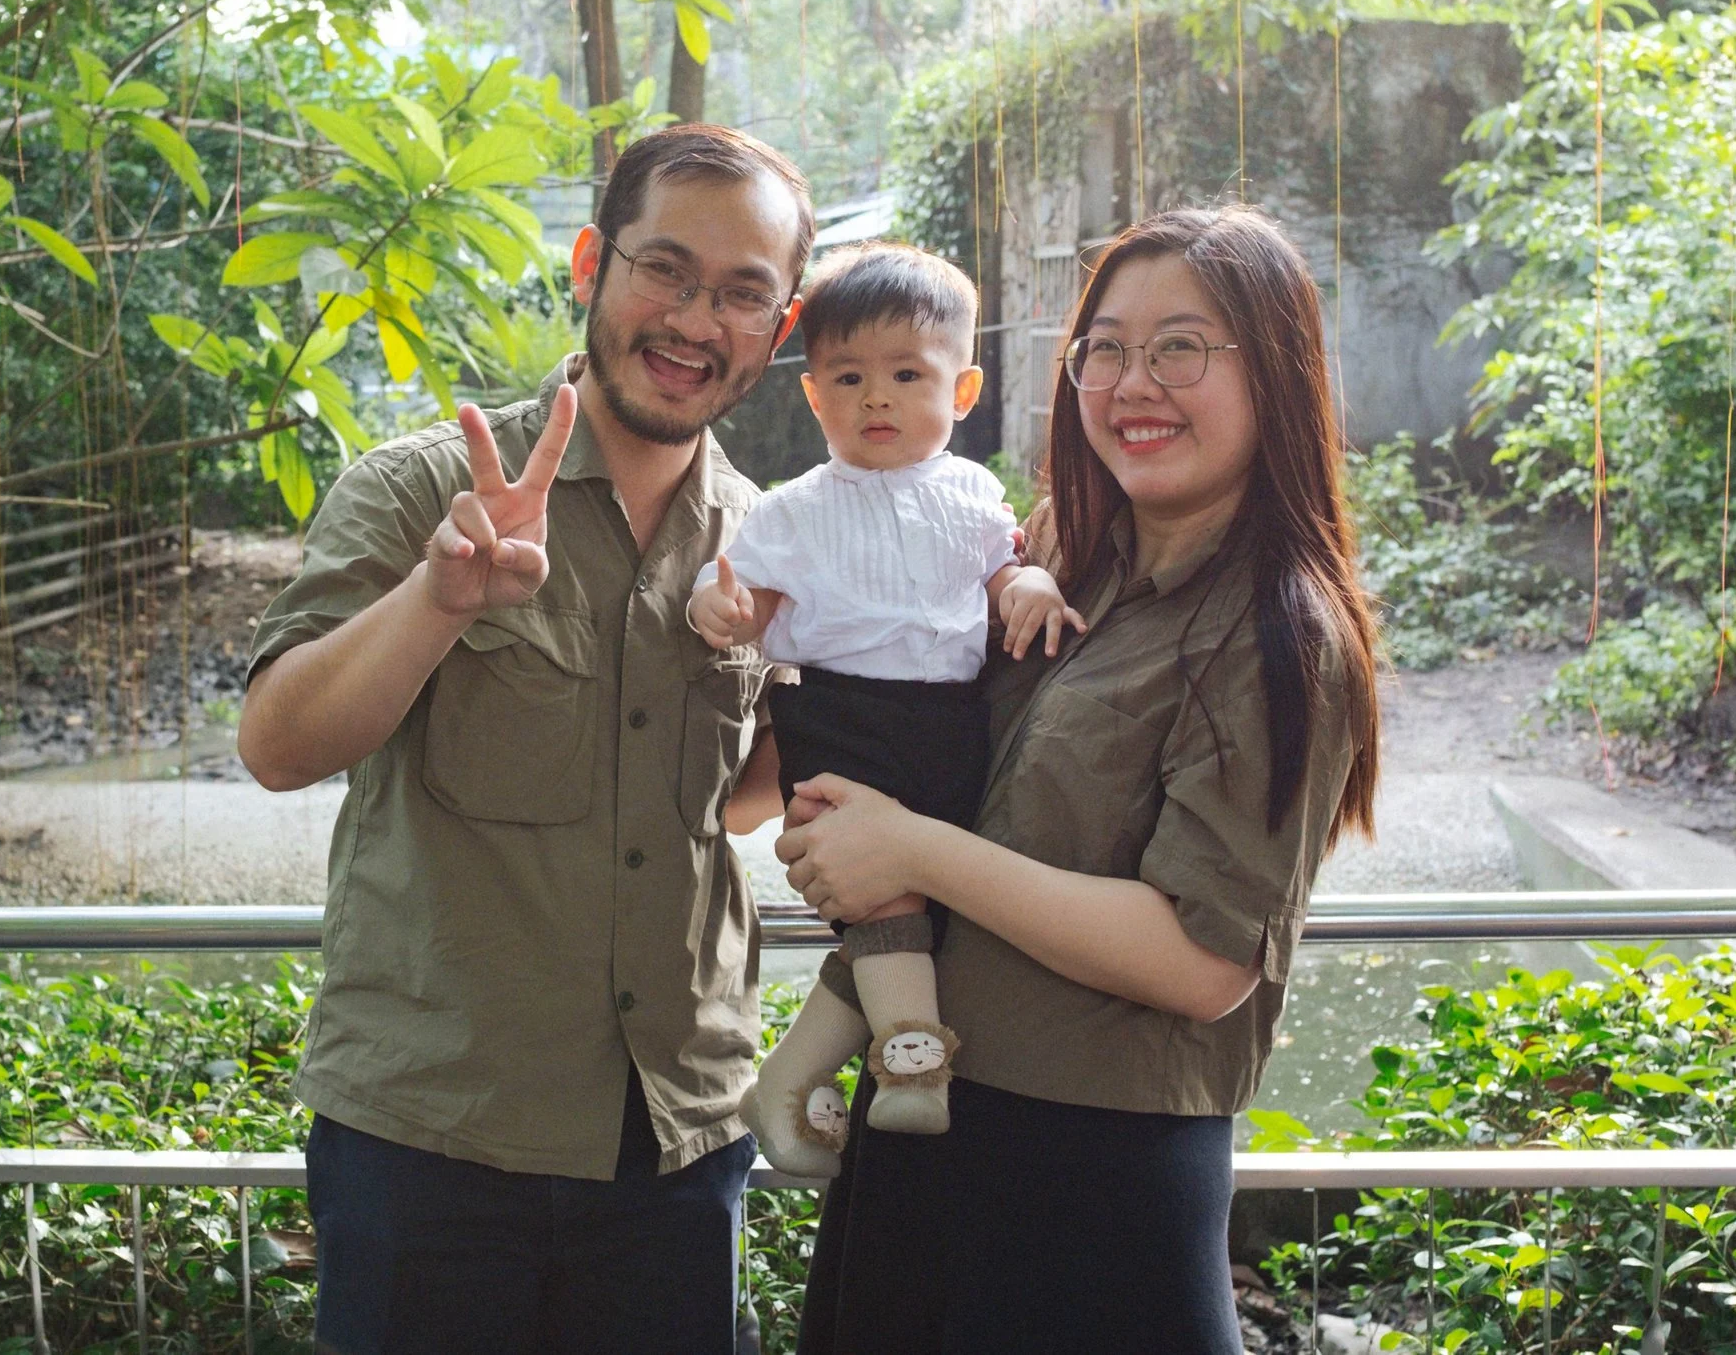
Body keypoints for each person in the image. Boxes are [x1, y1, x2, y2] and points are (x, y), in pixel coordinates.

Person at [236, 122, 814, 1355]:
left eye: (742, 292)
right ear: (589, 262)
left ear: (781, 323)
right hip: (434, 1139)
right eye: (664, 267)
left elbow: (742, 802)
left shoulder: (776, 546)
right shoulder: (421, 488)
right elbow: (278, 743)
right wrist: (437, 601)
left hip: (678, 1135)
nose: (694, 318)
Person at [774, 206, 1382, 1355]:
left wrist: (907, 848)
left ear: (1279, 373)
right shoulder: (1054, 562)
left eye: (1180, 347)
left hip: (1093, 1178)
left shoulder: (1275, 631)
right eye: (1104, 347)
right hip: (928, 1118)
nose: (1132, 381)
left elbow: (1201, 962)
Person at [682, 242, 1081, 1176]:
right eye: (849, 377)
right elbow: (745, 602)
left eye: (908, 374)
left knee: (919, 906)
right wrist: (724, 608)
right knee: (889, 892)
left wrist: (1028, 586)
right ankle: (911, 1057)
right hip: (842, 720)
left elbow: (1000, 572)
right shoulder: (794, 509)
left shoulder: (975, 491)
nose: (877, 398)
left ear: (964, 388)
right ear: (813, 394)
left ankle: (786, 1082)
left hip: (952, 722)